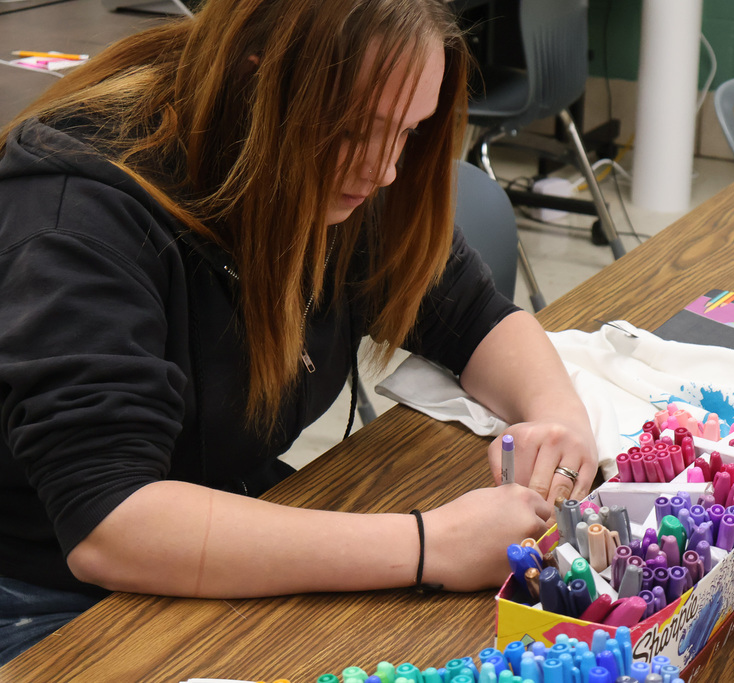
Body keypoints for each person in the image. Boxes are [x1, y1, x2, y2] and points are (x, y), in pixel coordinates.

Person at [0, 0, 599, 664]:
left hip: (221, 508)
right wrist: (430, 544)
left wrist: (558, 415)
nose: (385, 170)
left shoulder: (335, 164)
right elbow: (108, 521)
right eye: (363, 130)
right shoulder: (80, 211)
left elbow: (469, 315)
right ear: (258, 84)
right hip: (48, 585)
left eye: (407, 132)